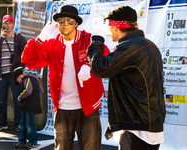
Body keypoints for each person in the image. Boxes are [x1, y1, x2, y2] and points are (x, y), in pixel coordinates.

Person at [21, 5, 110, 150]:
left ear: (76, 23)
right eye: (61, 20)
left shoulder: (88, 39)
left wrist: (89, 65)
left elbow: (105, 58)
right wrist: (40, 38)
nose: (65, 24)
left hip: (87, 108)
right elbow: (28, 60)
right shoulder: (52, 44)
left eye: (69, 21)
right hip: (62, 108)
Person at [87, 6, 166, 150]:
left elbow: (100, 68)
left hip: (137, 126)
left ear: (116, 27)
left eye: (109, 26)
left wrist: (97, 39)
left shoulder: (131, 46)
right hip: (149, 123)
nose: (108, 30)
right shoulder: (149, 45)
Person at [0, 15, 27, 131]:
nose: (7, 25)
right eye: (5, 23)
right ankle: (3, 123)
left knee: (17, 99)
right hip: (2, 73)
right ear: (3, 25)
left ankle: (18, 124)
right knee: (1, 100)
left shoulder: (19, 38)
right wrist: (0, 38)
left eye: (9, 23)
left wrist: (21, 70)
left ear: (13, 24)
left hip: (14, 74)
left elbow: (25, 55)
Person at [12, 67, 44, 149]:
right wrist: (35, 97)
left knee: (29, 124)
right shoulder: (34, 80)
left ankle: (32, 141)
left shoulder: (27, 79)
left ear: (20, 77)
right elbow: (41, 90)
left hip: (29, 105)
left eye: (17, 81)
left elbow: (28, 90)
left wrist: (20, 97)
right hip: (27, 105)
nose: (18, 83)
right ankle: (22, 140)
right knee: (24, 123)